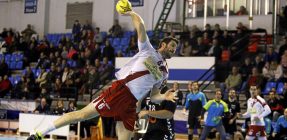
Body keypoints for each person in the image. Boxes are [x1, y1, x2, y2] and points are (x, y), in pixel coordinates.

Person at [27, 1, 178, 140]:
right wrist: (132, 13)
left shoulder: (165, 72)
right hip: (120, 91)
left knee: (125, 137)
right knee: (82, 115)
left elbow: (154, 96)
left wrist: (164, 97)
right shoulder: (148, 51)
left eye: (175, 48)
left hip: (131, 103)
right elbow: (140, 27)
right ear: (163, 45)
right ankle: (40, 133)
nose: (174, 49)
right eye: (172, 46)